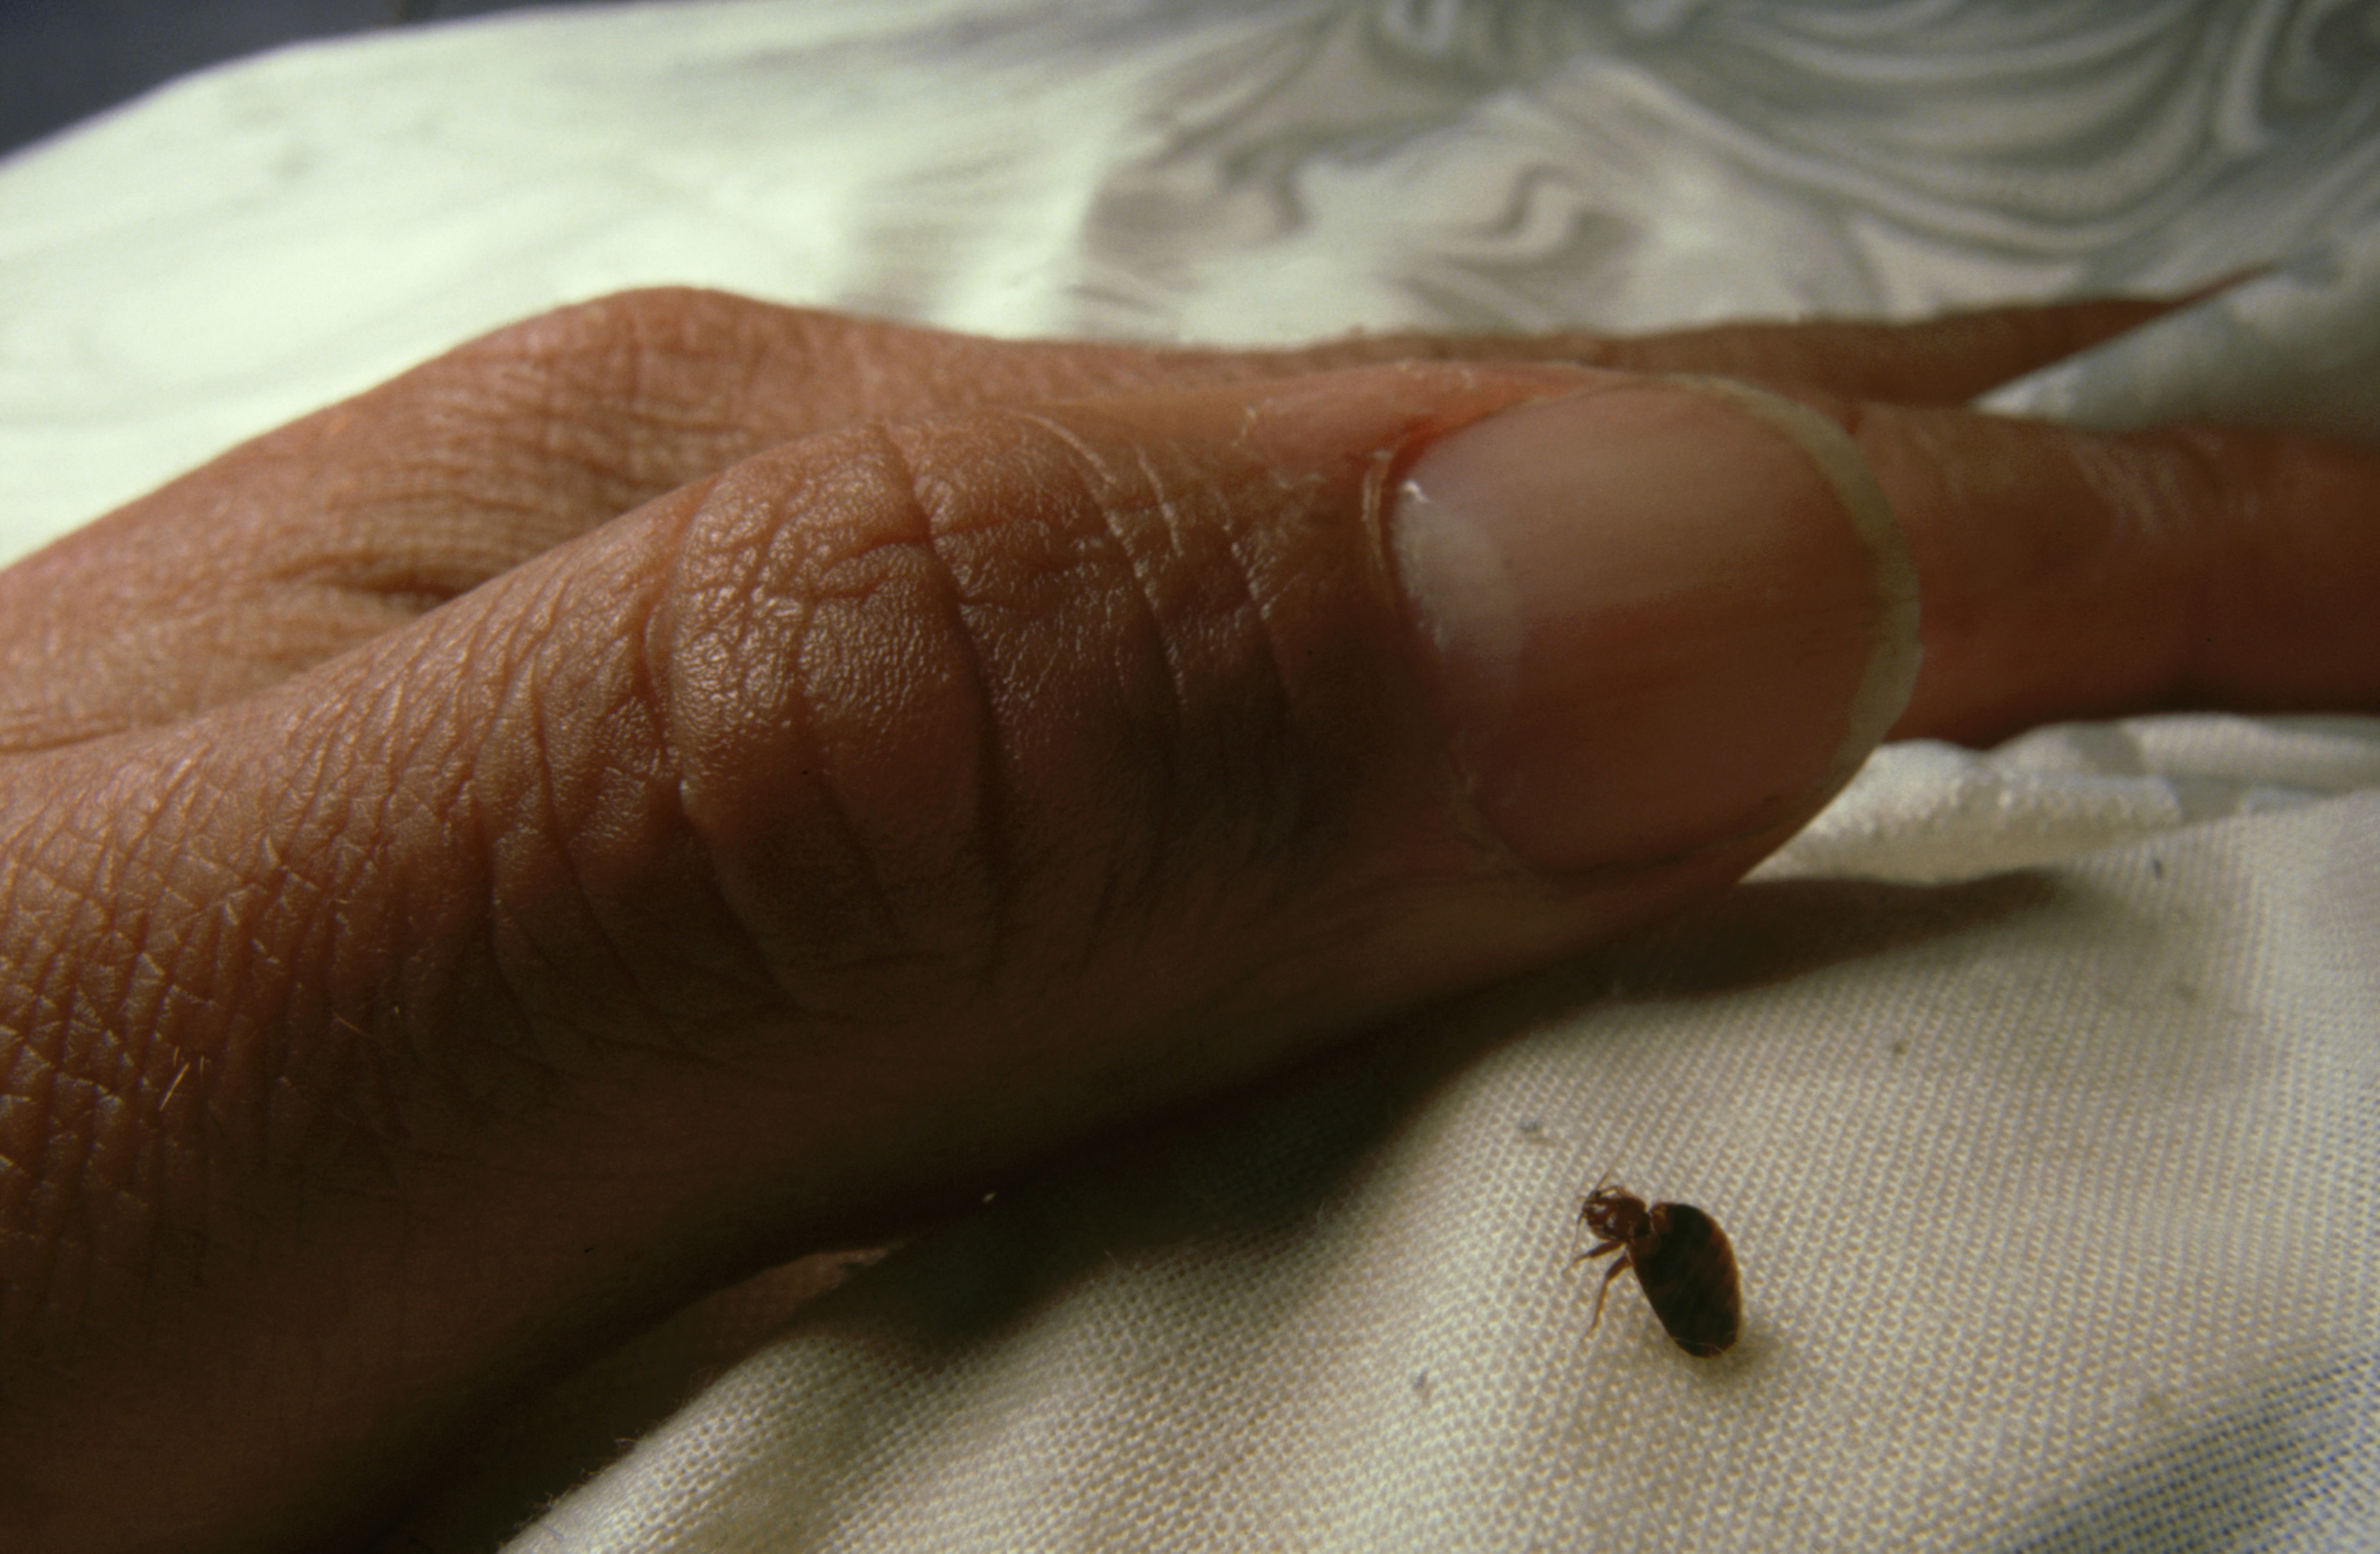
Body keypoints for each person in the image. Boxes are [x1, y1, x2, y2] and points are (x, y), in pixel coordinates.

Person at [2, 287, 2375, 1553]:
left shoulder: (1654, 1229)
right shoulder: (1646, 1227)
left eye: (1628, 1219)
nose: (1618, 1215)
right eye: (1629, 1223)